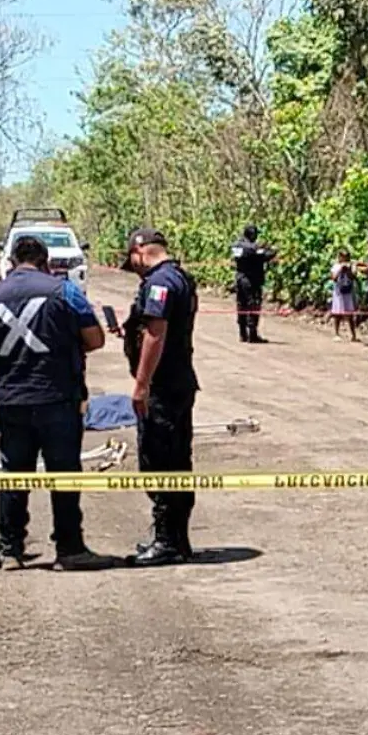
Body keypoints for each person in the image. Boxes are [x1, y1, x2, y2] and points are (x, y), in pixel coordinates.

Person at [0, 235, 109, 571]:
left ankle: (10, 551)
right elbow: (95, 339)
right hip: (58, 397)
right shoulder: (65, 291)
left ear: (12, 262)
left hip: (11, 399)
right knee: (64, 473)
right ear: (46, 261)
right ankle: (69, 548)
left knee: (14, 474)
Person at [120, 229, 199, 566]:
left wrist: (141, 384)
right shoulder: (180, 277)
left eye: (132, 262)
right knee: (178, 459)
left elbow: (156, 333)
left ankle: (168, 541)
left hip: (163, 387)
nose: (133, 269)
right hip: (178, 382)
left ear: (140, 251)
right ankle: (176, 539)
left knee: (160, 460)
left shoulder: (160, 282)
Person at [231, 224, 276, 344]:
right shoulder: (252, 249)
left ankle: (242, 333)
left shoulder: (237, 245)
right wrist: (268, 248)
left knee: (242, 305)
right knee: (253, 305)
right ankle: (252, 334)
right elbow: (268, 255)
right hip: (251, 280)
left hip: (240, 278)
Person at [330, 249, 360, 341]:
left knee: (350, 314)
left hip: (348, 291)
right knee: (337, 313)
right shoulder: (335, 266)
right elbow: (333, 278)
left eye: (346, 257)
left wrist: (348, 270)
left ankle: (353, 335)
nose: (344, 259)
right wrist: (340, 270)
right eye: (342, 257)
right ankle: (336, 333)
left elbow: (353, 277)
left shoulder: (351, 266)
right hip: (338, 292)